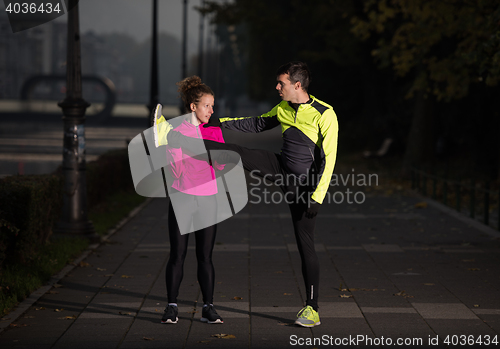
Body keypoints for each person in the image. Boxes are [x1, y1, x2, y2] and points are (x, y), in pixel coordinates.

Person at [156, 62, 339, 327]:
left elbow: (329, 159)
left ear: (297, 85)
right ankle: (171, 134)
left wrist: (317, 196)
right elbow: (255, 125)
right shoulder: (284, 108)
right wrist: (220, 121)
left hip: (304, 186)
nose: (277, 87)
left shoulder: (325, 114)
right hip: (279, 167)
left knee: (305, 243)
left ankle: (312, 309)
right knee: (234, 151)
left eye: (282, 83)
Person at [154, 76, 224, 324]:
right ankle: (171, 307)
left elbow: (221, 163)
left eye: (213, 106)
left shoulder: (214, 130)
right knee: (177, 255)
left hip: (208, 200)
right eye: (207, 105)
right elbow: (176, 172)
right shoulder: (174, 132)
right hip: (182, 198)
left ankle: (208, 307)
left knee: (205, 256)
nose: (212, 110)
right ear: (193, 106)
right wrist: (169, 145)